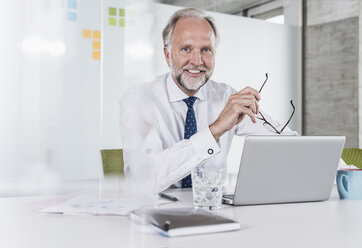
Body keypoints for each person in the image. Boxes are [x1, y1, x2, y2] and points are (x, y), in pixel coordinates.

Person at [119, 8, 297, 192]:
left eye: (206, 50)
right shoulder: (139, 100)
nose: (197, 61)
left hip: (214, 210)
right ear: (167, 54)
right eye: (186, 49)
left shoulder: (226, 97)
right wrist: (215, 131)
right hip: (157, 213)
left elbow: (286, 142)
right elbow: (146, 178)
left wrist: (301, 150)